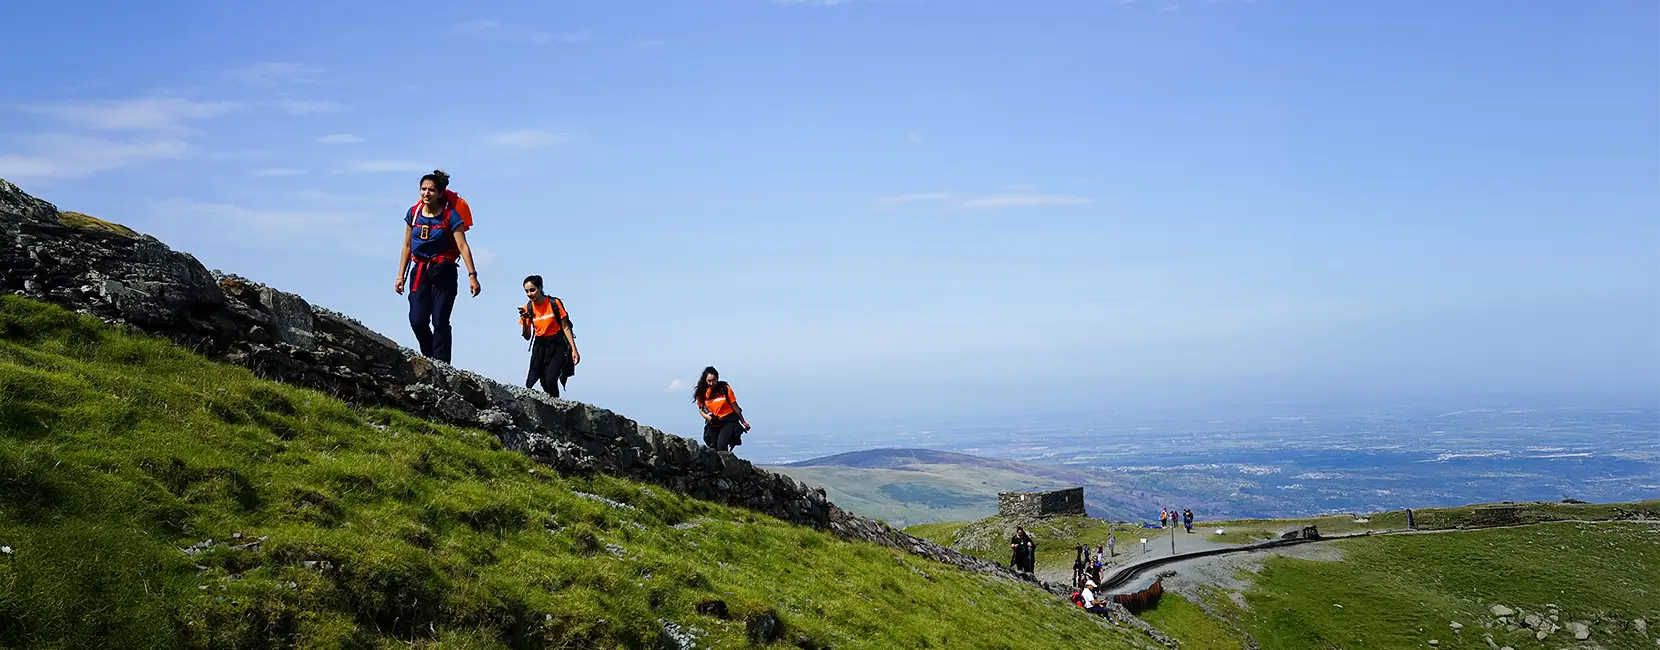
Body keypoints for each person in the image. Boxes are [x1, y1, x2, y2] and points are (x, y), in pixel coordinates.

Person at [395, 170, 480, 363]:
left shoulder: (451, 215)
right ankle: (429, 356)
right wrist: (400, 276)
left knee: (440, 320)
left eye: (431, 190)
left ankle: (441, 364)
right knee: (417, 320)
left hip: (444, 271)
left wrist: (472, 275)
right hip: (420, 271)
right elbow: (407, 245)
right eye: (423, 189)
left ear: (440, 193)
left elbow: (462, 246)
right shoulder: (414, 213)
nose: (426, 193)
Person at [518, 275, 579, 397]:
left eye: (532, 290)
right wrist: (525, 321)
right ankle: (547, 403)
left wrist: (574, 350)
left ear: (540, 288)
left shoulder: (554, 303)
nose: (530, 294)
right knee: (531, 382)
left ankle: (556, 406)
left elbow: (565, 327)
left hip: (557, 344)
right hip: (540, 345)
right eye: (526, 291)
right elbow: (527, 336)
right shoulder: (527, 308)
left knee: (550, 379)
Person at [693, 366, 750, 452]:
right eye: (709, 381)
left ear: (717, 379)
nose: (712, 383)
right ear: (705, 380)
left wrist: (743, 421)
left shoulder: (724, 388)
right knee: (714, 446)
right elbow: (701, 409)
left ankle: (727, 464)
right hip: (715, 420)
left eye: (714, 380)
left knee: (722, 445)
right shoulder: (702, 392)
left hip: (729, 419)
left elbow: (735, 407)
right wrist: (707, 417)